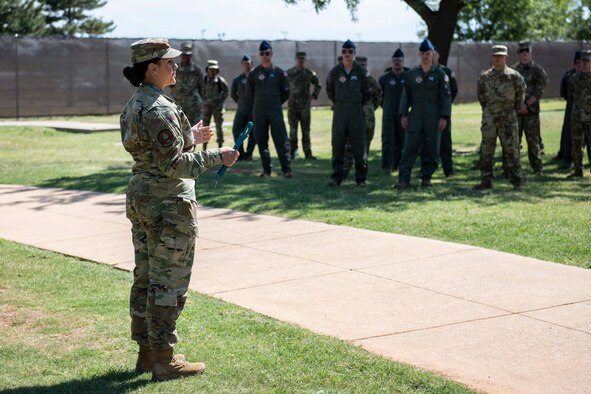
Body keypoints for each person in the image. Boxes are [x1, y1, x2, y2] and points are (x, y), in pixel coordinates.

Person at [120, 38, 239, 382]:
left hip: (142, 199)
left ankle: (147, 353)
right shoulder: (158, 107)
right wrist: (219, 155)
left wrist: (190, 136)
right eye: (168, 62)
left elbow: (152, 150)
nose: (175, 66)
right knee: (167, 282)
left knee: (145, 277)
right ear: (151, 68)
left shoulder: (136, 104)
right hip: (168, 205)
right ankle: (165, 360)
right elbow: (174, 165)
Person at [394, 38, 451, 189]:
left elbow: (446, 96)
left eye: (428, 53)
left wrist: (444, 117)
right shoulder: (412, 74)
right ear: (419, 55)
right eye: (423, 54)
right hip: (416, 116)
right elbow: (406, 96)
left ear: (432, 54)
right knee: (409, 148)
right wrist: (404, 114)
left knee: (432, 148)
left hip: (434, 117)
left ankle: (426, 177)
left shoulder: (440, 74)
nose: (425, 56)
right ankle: (403, 179)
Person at [473, 44, 525, 191]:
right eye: (495, 56)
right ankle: (486, 181)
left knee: (512, 150)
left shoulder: (514, 77)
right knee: (486, 150)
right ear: (491, 57)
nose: (498, 59)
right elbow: (481, 97)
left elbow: (520, 96)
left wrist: (510, 109)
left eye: (501, 56)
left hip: (508, 117)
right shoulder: (484, 77)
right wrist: (490, 110)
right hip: (490, 118)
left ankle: (517, 181)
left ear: (506, 57)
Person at [326, 39, 371, 187]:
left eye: (350, 51)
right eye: (344, 51)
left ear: (354, 53)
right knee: (337, 144)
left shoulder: (361, 72)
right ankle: (336, 177)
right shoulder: (335, 72)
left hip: (356, 111)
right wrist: (340, 102)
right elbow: (330, 91)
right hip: (340, 111)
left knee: (359, 145)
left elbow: (367, 92)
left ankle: (361, 179)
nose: (347, 54)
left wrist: (355, 103)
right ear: (341, 53)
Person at [246, 40, 292, 178]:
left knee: (281, 140)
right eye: (262, 53)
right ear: (259, 55)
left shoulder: (279, 73)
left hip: (275, 110)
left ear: (271, 54)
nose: (265, 55)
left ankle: (286, 170)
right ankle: (267, 170)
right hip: (259, 111)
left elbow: (286, 93)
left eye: (267, 53)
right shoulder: (254, 74)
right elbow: (249, 93)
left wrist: (275, 103)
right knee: (261, 140)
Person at [342, 56, 381, 178]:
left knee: (364, 147)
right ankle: (344, 171)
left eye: (364, 66)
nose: (362, 68)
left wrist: (368, 109)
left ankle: (361, 175)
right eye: (360, 66)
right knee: (348, 145)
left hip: (367, 120)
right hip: (352, 117)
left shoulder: (371, 81)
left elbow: (378, 96)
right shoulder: (350, 80)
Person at [513, 41, 548, 176]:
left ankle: (537, 169)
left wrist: (526, 105)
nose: (524, 54)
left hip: (531, 112)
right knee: (514, 142)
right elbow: (510, 91)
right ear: (518, 54)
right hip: (516, 112)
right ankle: (513, 169)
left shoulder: (538, 71)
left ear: (531, 51)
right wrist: (519, 106)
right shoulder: (513, 71)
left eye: (526, 50)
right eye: (521, 51)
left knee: (533, 142)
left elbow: (539, 92)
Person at [286, 51, 322, 160]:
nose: (300, 60)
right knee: (293, 131)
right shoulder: (289, 73)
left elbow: (318, 84)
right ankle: (293, 153)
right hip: (292, 106)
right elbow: (281, 85)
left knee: (306, 131)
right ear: (295, 59)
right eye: (298, 58)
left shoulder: (309, 73)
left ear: (304, 60)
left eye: (302, 58)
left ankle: (308, 153)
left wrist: (314, 96)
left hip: (304, 106)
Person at [379, 49, 408, 174]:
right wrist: (386, 107)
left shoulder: (408, 77)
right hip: (388, 114)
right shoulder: (384, 78)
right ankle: (387, 166)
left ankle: (399, 165)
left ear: (403, 62)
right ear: (392, 62)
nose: (397, 63)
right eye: (395, 60)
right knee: (387, 140)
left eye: (399, 60)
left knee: (402, 140)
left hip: (403, 114)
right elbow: (379, 96)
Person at [433, 49, 458, 178]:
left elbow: (453, 89)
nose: (431, 56)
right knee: (425, 142)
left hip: (442, 112)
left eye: (433, 53)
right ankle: (426, 170)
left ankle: (448, 170)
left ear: (438, 55)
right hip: (427, 112)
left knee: (445, 142)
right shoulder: (421, 71)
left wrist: (445, 106)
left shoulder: (445, 71)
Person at [567, 49, 591, 178]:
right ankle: (578, 170)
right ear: (579, 62)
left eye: (588, 61)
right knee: (576, 144)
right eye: (583, 61)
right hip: (576, 117)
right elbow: (570, 96)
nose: (585, 63)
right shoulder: (573, 79)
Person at [555, 51, 581, 170]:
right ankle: (566, 157)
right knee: (568, 133)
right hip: (572, 106)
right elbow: (564, 94)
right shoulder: (568, 76)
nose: (581, 64)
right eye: (579, 62)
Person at [169, 42, 204, 126]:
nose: (185, 57)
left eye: (187, 55)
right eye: (184, 55)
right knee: (177, 127)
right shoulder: (174, 68)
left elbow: (201, 87)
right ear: (180, 55)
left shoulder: (196, 70)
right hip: (178, 104)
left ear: (191, 56)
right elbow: (170, 85)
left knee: (196, 129)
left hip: (193, 107)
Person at [230, 54, 256, 160]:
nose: (247, 66)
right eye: (245, 64)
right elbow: (232, 94)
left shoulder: (256, 78)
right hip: (242, 110)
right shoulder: (238, 79)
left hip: (254, 110)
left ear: (252, 64)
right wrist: (241, 102)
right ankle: (240, 153)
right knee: (236, 130)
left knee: (254, 133)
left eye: (248, 64)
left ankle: (249, 154)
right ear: (242, 65)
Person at [202, 60, 229, 149]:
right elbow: (201, 91)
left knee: (219, 128)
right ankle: (204, 148)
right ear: (207, 70)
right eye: (211, 69)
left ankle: (220, 148)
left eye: (214, 70)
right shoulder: (204, 80)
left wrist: (220, 101)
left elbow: (226, 92)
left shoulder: (220, 81)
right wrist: (204, 101)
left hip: (217, 108)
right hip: (206, 108)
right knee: (205, 128)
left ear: (217, 71)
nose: (212, 72)